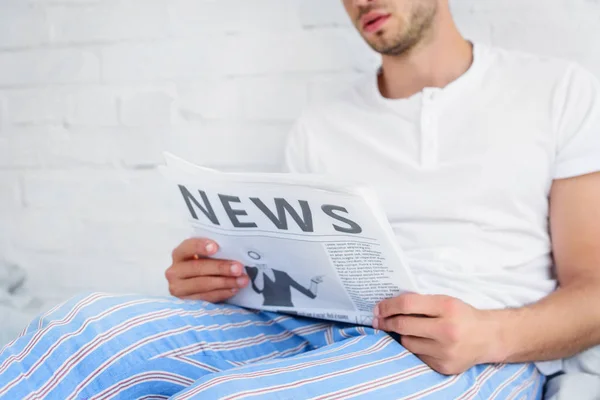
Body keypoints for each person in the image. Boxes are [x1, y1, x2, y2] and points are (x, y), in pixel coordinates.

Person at [1, 0, 599, 398]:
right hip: (316, 324)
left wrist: (490, 335)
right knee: (86, 328)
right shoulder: (321, 125)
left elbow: (594, 290)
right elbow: (296, 280)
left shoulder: (556, 91)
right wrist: (222, 279)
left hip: (470, 352)